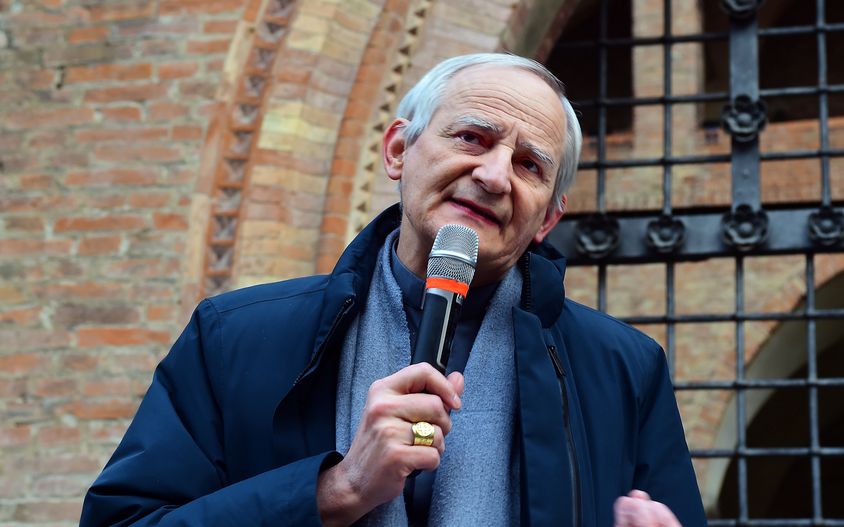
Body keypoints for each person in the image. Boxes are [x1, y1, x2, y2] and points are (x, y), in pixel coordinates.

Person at [80, 53, 706, 527]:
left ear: (547, 218)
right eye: (472, 139)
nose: (492, 176)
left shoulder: (623, 370)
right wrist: (336, 491)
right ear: (400, 150)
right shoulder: (236, 337)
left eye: (528, 165)